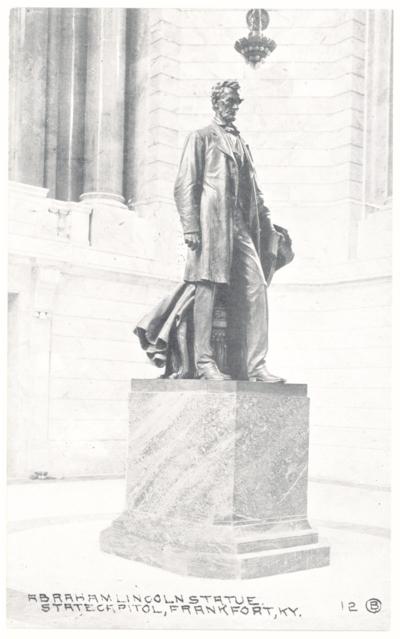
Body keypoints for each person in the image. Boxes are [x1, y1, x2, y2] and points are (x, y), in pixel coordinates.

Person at [174, 79, 285, 382]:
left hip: (240, 227)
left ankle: (256, 365)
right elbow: (185, 185)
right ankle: (204, 362)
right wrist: (191, 227)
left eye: (237, 102)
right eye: (229, 101)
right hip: (211, 226)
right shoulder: (201, 137)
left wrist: (269, 225)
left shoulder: (242, 144)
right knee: (207, 288)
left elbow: (255, 192)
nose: (234, 106)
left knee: (256, 286)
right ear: (216, 102)